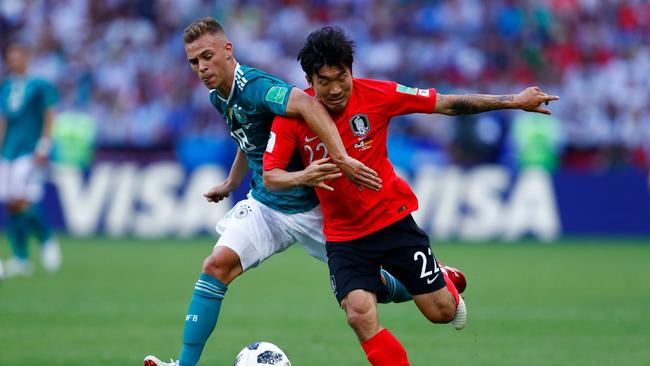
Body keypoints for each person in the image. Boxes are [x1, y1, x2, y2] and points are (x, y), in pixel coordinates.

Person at [144, 17, 438, 366]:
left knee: (367, 287)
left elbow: (308, 103)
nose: (202, 67)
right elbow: (251, 137)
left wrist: (340, 158)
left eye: (207, 56)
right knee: (216, 265)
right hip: (267, 204)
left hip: (312, 207)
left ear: (227, 50)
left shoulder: (256, 85)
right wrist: (232, 181)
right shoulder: (217, 95)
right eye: (194, 61)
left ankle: (434, 278)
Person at [263, 26, 559, 365]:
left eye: (340, 77)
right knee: (359, 314)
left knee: (442, 312)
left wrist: (513, 101)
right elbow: (271, 177)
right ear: (309, 79)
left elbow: (447, 104)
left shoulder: (377, 94)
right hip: (344, 237)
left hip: (392, 221)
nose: (334, 89)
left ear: (351, 70)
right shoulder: (293, 116)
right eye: (324, 80)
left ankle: (442, 277)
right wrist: (305, 175)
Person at [0, 43, 62, 277]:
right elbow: (3, 121)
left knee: (22, 200)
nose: (14, 61)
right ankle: (21, 257)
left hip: (28, 149)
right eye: (10, 58)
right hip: (8, 151)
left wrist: (44, 144)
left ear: (27, 58)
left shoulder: (39, 85)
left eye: (18, 57)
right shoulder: (5, 87)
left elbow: (49, 115)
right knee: (10, 203)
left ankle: (46, 238)